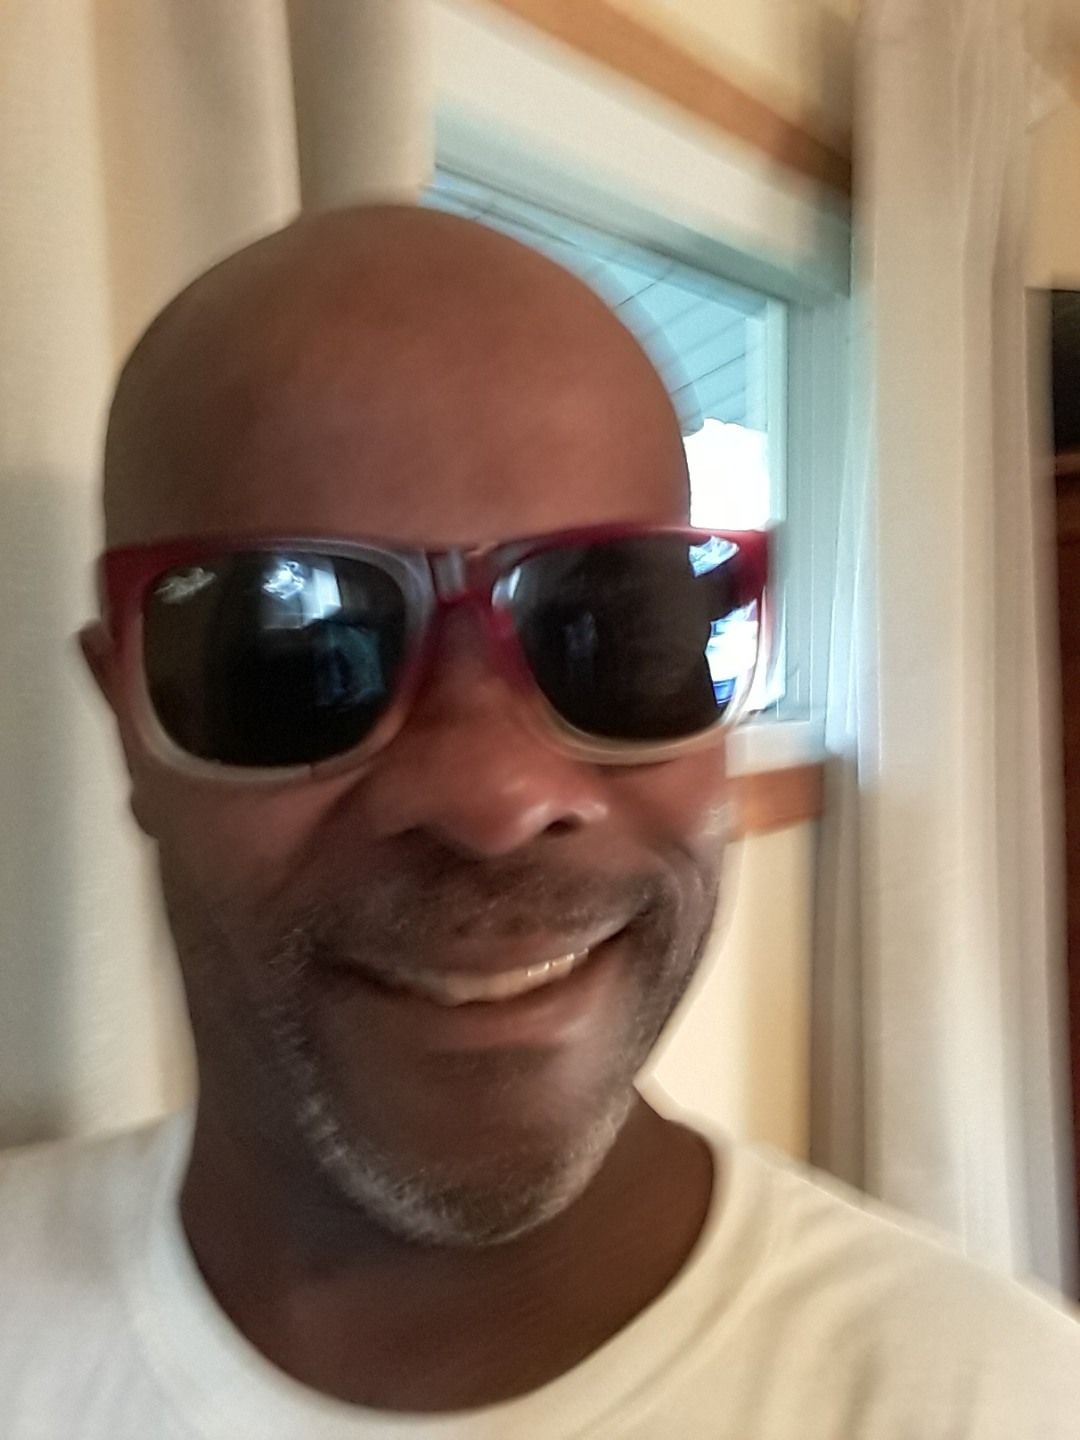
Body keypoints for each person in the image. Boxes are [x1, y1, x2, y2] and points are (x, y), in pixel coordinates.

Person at [1, 206, 1077, 1440]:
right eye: (294, 657)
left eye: (619, 631)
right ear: (128, 722)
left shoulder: (994, 1403)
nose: (496, 799)